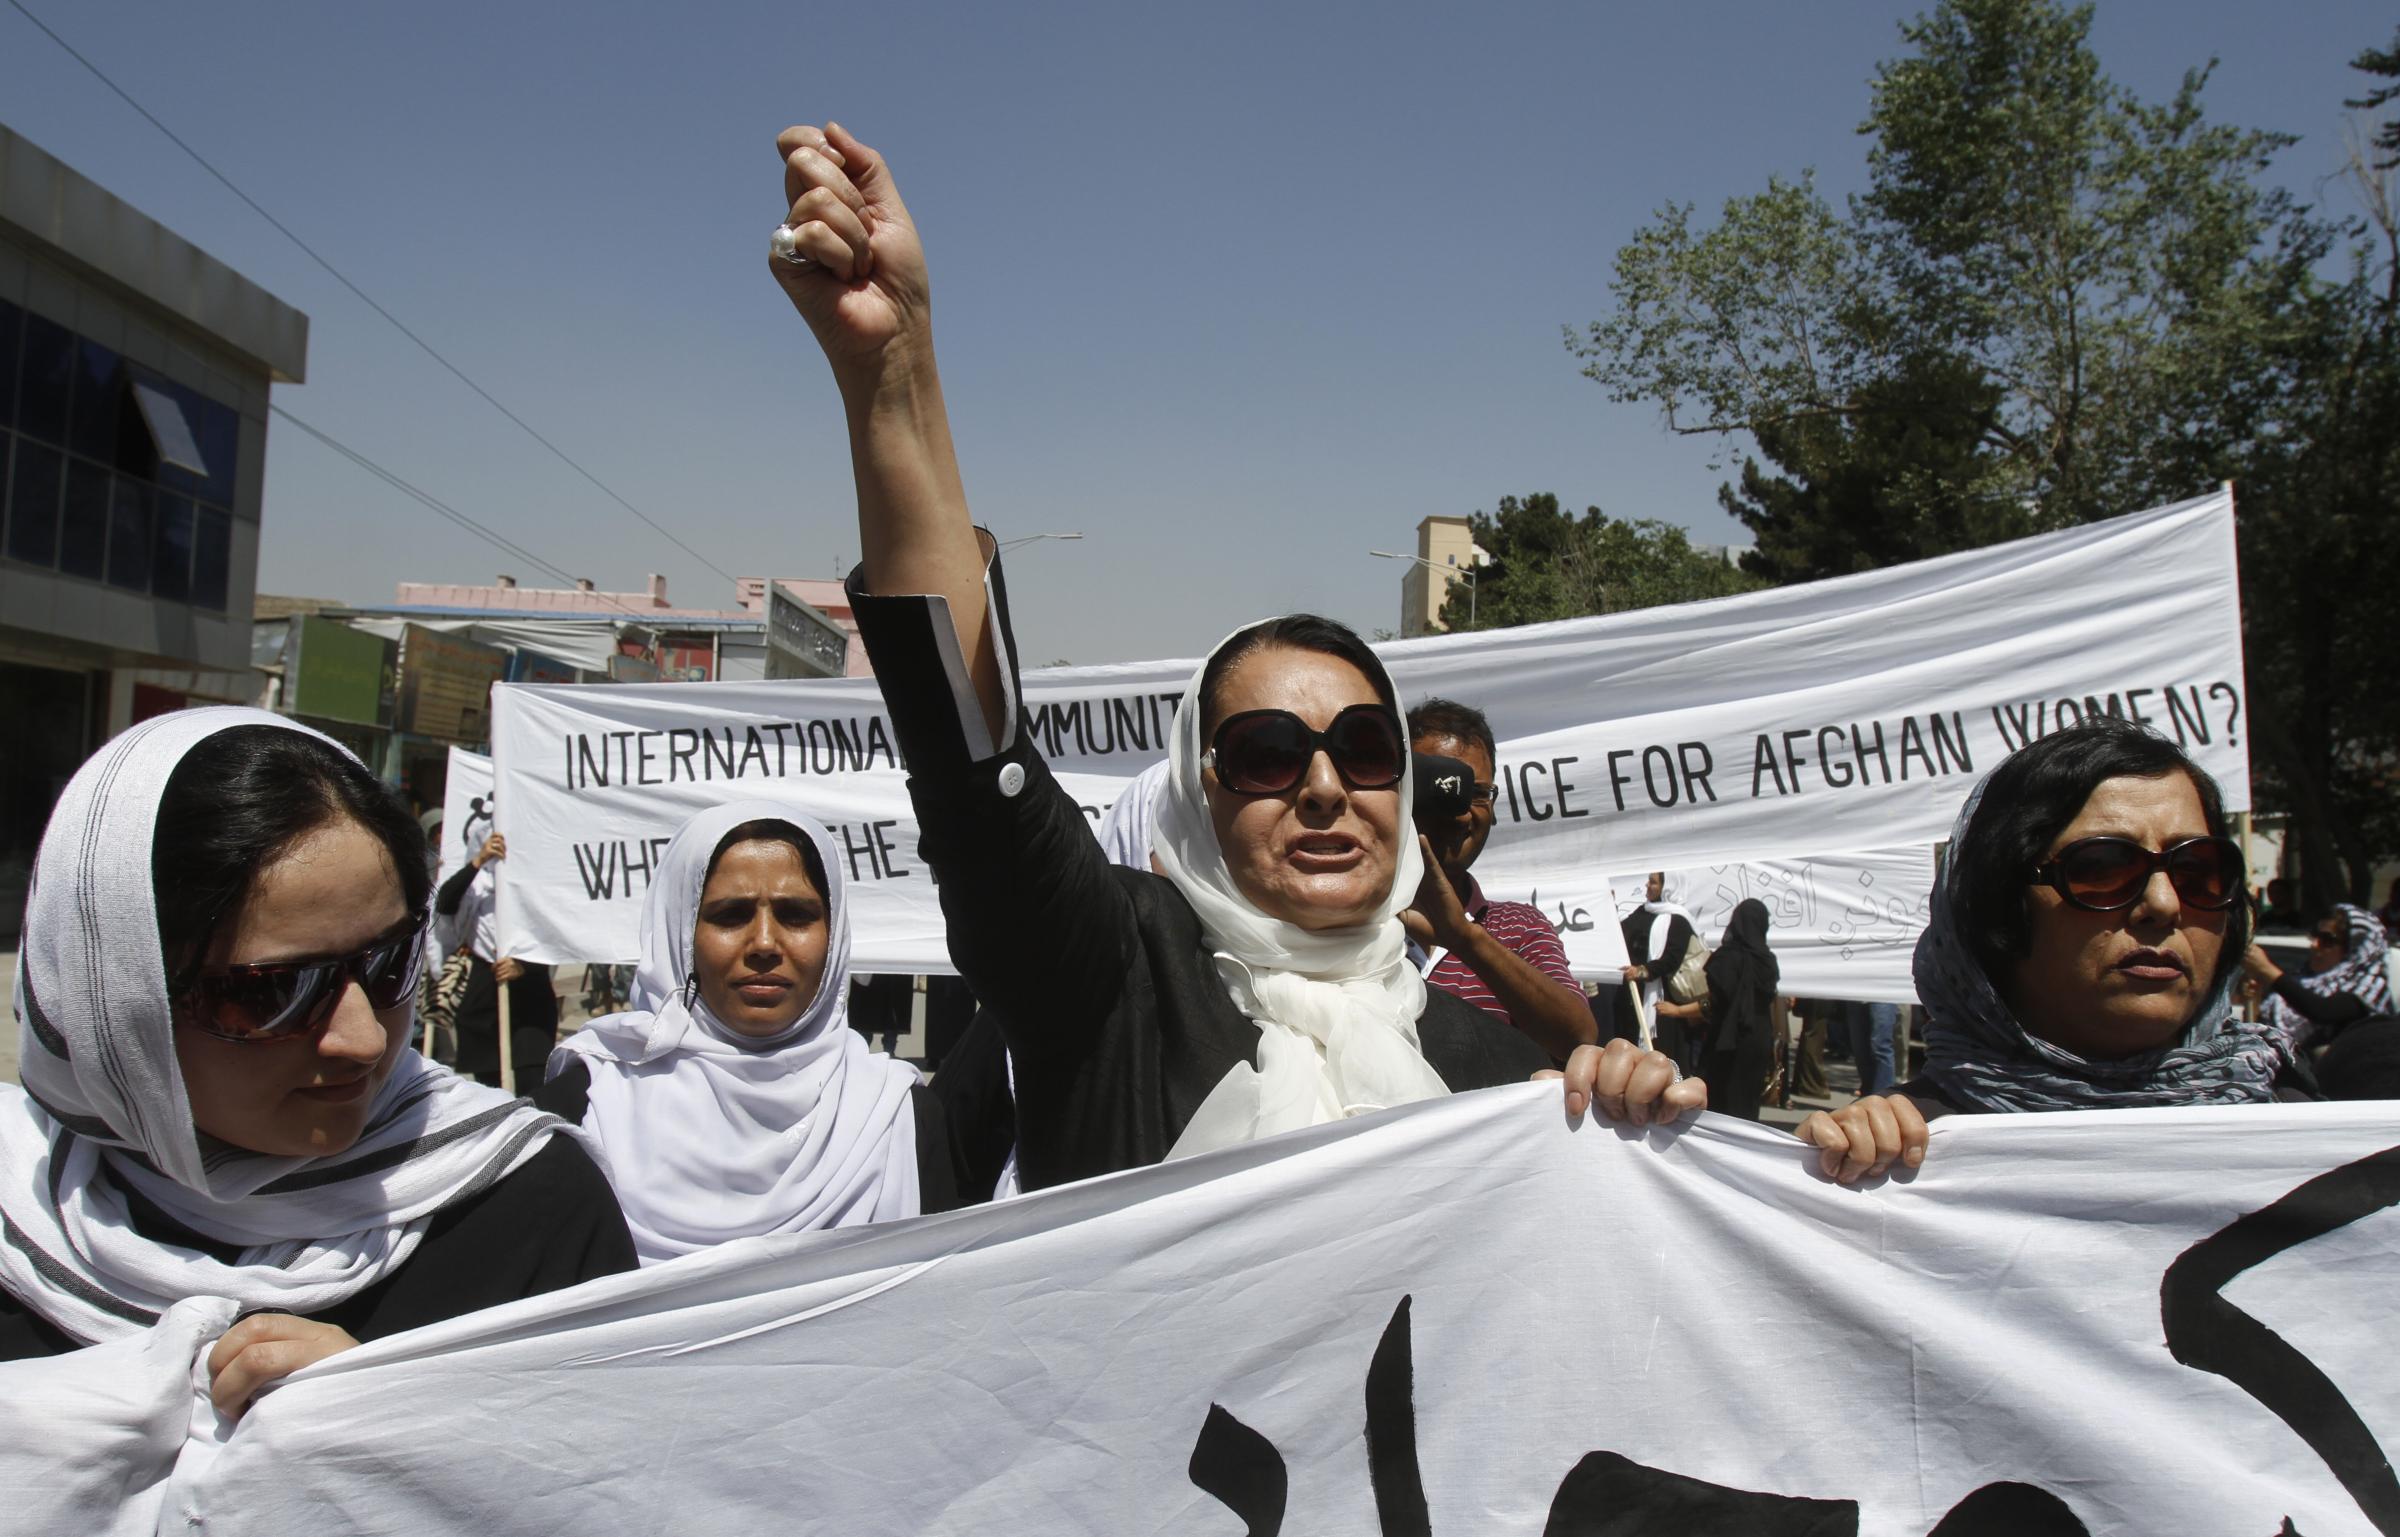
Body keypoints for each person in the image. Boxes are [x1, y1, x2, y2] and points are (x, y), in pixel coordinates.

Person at [768, 122, 1701, 1190]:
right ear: (1201, 792)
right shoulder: (1116, 978)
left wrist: (1636, 1121)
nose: (1321, 787)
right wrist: (895, 371)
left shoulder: (1498, 1077)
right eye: (1264, 752)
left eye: (1362, 747)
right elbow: (980, 775)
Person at [0, 711, 632, 1408]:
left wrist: (413, 1422)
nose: (362, 1039)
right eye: (274, 989)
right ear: (114, 1000)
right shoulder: (17, 1213)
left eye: (392, 962)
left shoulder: (528, 1206)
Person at [1797, 718, 2300, 1183]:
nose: (2163, 905)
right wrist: (1812, 1173)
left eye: (2199, 871)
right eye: (2102, 868)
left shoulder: (2309, 1125)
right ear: (1997, 910)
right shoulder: (1892, 1158)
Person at [541, 802, 986, 1264]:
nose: (765, 945)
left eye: (796, 915)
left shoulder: (896, 1117)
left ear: (833, 938)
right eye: (731, 915)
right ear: (680, 932)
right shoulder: (589, 1110)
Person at [1402, 698, 1594, 1061]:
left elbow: (1577, 1038)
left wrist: (1464, 938)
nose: (1460, 815)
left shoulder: (1519, 927)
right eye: (1442, 790)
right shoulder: (1343, 915)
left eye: (1476, 794)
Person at [434, 813, 559, 1094]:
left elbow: (555, 935)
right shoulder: (474, 887)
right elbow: (446, 901)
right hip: (483, 993)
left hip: (529, 994)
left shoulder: (538, 885)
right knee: (491, 1090)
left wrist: (523, 966)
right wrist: (478, 862)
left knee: (532, 1084)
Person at [1658, 899, 1779, 1122]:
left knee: (1722, 1102)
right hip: (1759, 1039)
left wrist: (1677, 1011)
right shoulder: (1768, 961)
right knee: (1747, 1102)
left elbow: (1715, 1004)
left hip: (1727, 1040)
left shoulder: (1726, 959)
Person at [2243, 904, 2395, 1051]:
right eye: (2315, 935)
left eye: (2327, 940)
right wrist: (2256, 996)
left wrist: (2267, 970)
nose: (2315, 944)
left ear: (2353, 949)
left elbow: (2323, 1011)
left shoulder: (2372, 986)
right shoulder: (2303, 979)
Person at [1615, 872, 1701, 1069]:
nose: (1647, 885)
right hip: (1632, 996)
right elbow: (1623, 931)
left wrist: (1642, 972)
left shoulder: (1679, 919)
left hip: (1662, 1001)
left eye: (1653, 882)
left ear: (1667, 887)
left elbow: (1672, 958)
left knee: (1663, 1054)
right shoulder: (1643, 911)